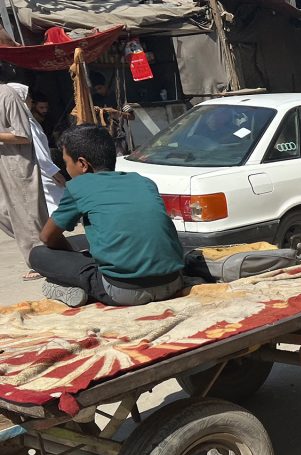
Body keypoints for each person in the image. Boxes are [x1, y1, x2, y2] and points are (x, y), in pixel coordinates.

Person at [29, 125, 185, 308]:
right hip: (173, 282)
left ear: (82, 164)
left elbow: (47, 237)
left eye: (66, 163)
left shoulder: (80, 185)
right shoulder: (143, 181)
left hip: (122, 291)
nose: (66, 169)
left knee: (38, 254)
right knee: (83, 240)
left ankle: (70, 288)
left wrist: (74, 257)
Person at [0, 64, 47, 278]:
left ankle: (40, 262)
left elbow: (23, 135)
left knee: (26, 213)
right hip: (3, 165)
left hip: (17, 164)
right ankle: (48, 250)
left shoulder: (7, 95)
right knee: (5, 213)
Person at [7, 83, 65, 215]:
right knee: (57, 208)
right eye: (28, 97)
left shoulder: (22, 121)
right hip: (43, 173)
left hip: (37, 171)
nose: (30, 101)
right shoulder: (27, 123)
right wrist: (55, 173)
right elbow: (40, 154)